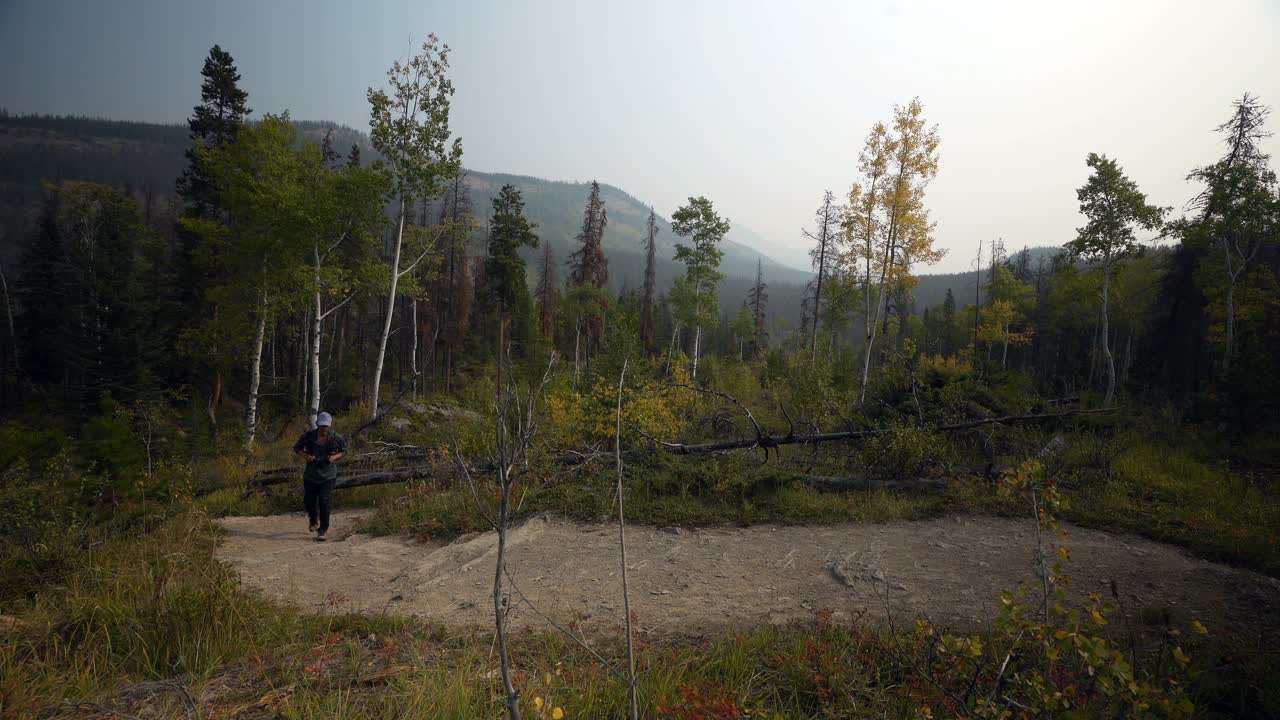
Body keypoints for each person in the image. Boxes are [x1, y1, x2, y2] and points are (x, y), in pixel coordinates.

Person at [293, 411, 346, 541]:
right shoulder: (308, 436)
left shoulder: (336, 437)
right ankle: (313, 519)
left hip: (328, 474)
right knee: (309, 501)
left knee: (324, 500)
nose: (323, 428)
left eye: (326, 426)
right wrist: (306, 456)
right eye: (321, 426)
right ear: (317, 424)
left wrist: (334, 457)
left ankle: (323, 530)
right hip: (311, 474)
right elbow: (297, 448)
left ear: (330, 425)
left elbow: (344, 451)